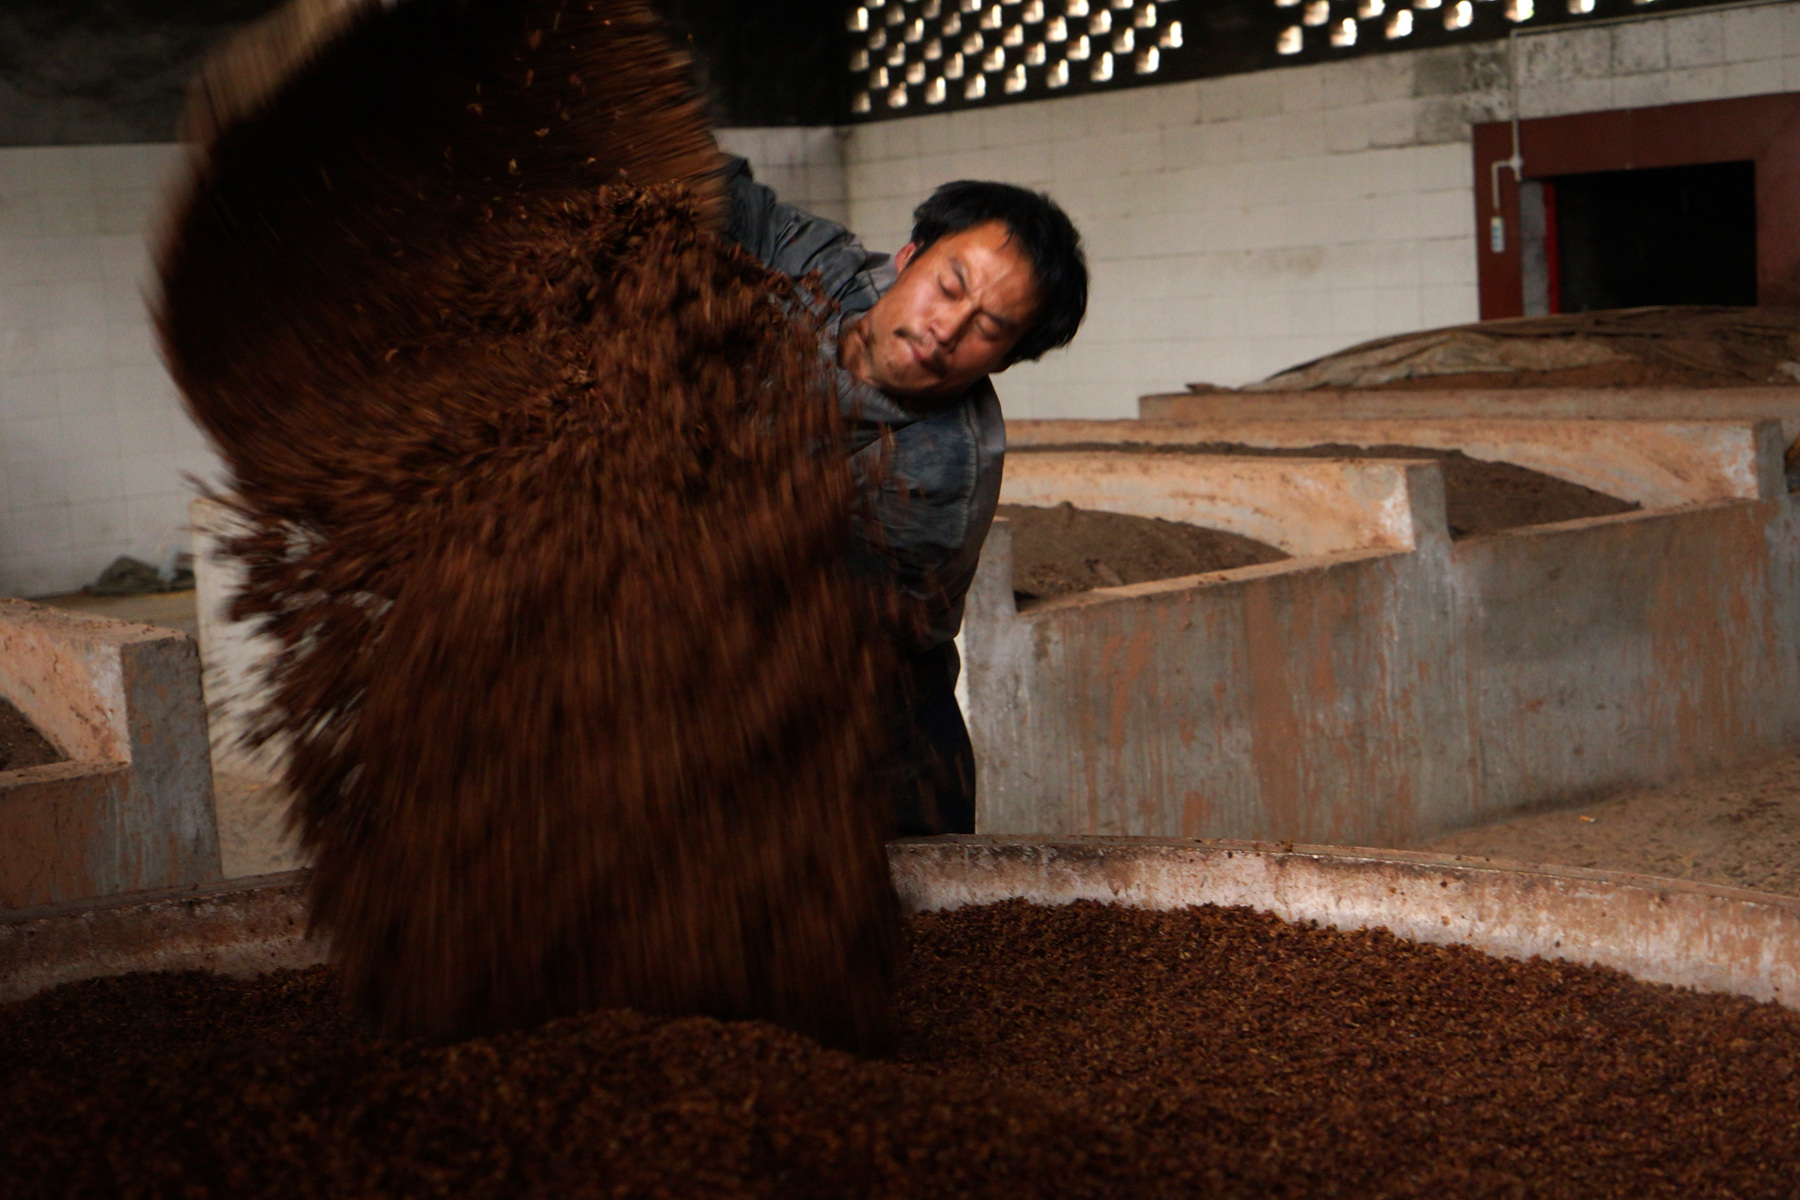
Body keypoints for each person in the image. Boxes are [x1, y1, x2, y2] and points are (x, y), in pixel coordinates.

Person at [724, 156, 1088, 837]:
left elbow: (788, 611)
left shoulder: (941, 471)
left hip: (865, 742)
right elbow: (714, 194)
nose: (945, 329)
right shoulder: (816, 269)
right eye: (950, 286)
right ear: (909, 256)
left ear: (1005, 360)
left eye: (989, 327)